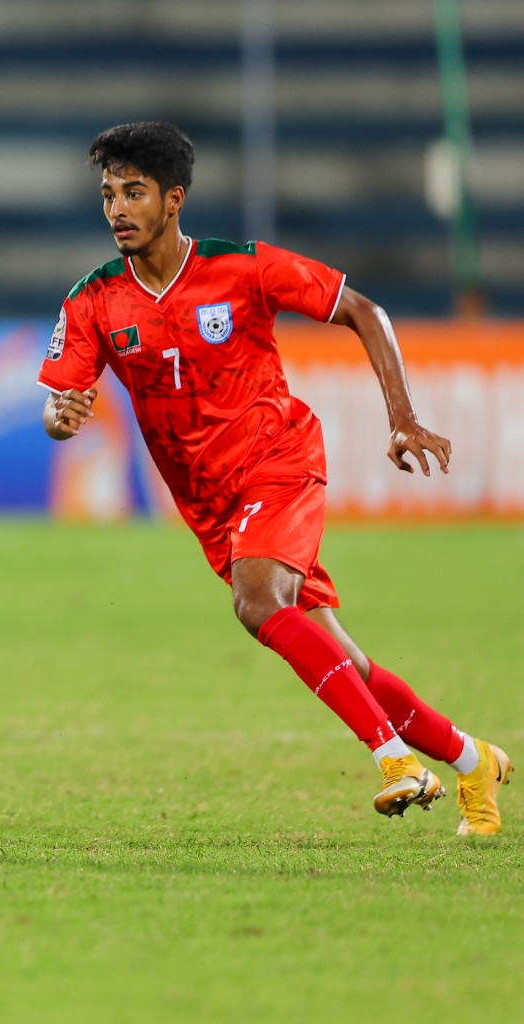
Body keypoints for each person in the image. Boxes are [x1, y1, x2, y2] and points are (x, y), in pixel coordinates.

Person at [39, 121, 510, 834]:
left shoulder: (243, 268)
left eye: (132, 193)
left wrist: (403, 416)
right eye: (107, 195)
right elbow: (57, 406)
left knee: (257, 602)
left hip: (278, 460)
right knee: (344, 659)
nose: (116, 210)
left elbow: (362, 309)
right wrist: (62, 416)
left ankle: (394, 761)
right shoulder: (93, 300)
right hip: (210, 503)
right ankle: (475, 762)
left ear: (174, 200)